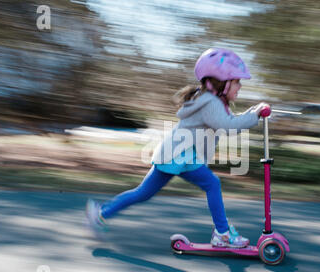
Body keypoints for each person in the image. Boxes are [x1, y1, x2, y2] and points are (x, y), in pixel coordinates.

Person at [86, 48, 269, 248]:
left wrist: (253, 112)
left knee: (144, 192)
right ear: (222, 83)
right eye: (237, 81)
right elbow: (229, 126)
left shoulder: (210, 101)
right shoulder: (210, 103)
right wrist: (255, 116)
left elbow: (228, 121)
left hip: (177, 154)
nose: (240, 86)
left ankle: (101, 213)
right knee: (211, 184)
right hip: (179, 155)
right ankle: (222, 234)